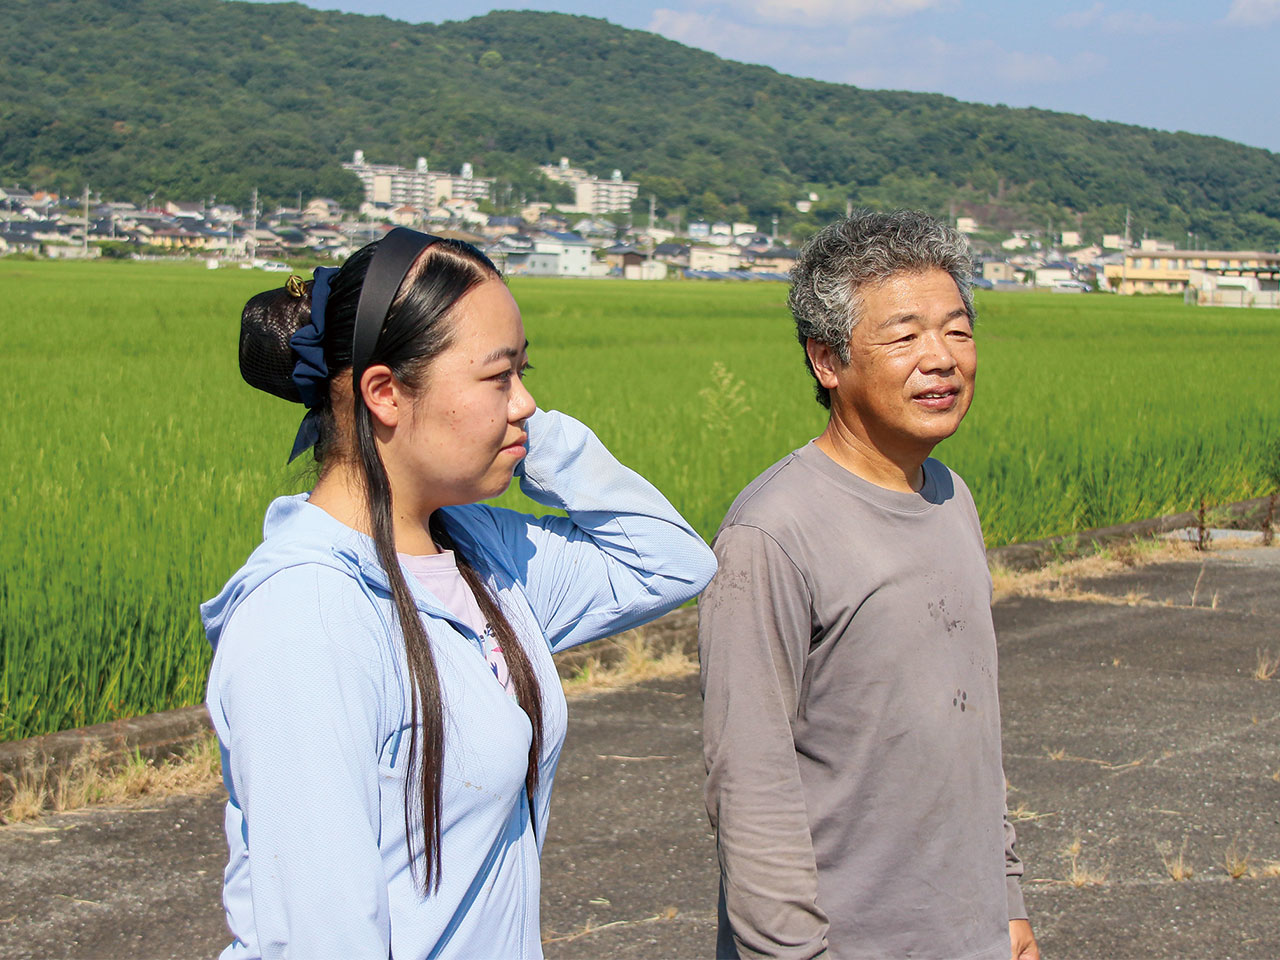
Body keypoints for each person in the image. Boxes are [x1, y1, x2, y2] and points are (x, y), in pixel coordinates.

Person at [201, 227, 716, 959]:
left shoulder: (480, 553)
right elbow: (324, 938)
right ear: (385, 392)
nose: (526, 402)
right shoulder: (307, 616)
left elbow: (672, 563)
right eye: (499, 378)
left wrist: (530, 437)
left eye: (523, 373)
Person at [699, 211, 1038, 960]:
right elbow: (749, 786)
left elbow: (970, 742)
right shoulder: (773, 533)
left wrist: (1006, 904)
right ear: (827, 360)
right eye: (904, 335)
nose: (941, 359)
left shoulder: (952, 497)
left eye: (957, 330)